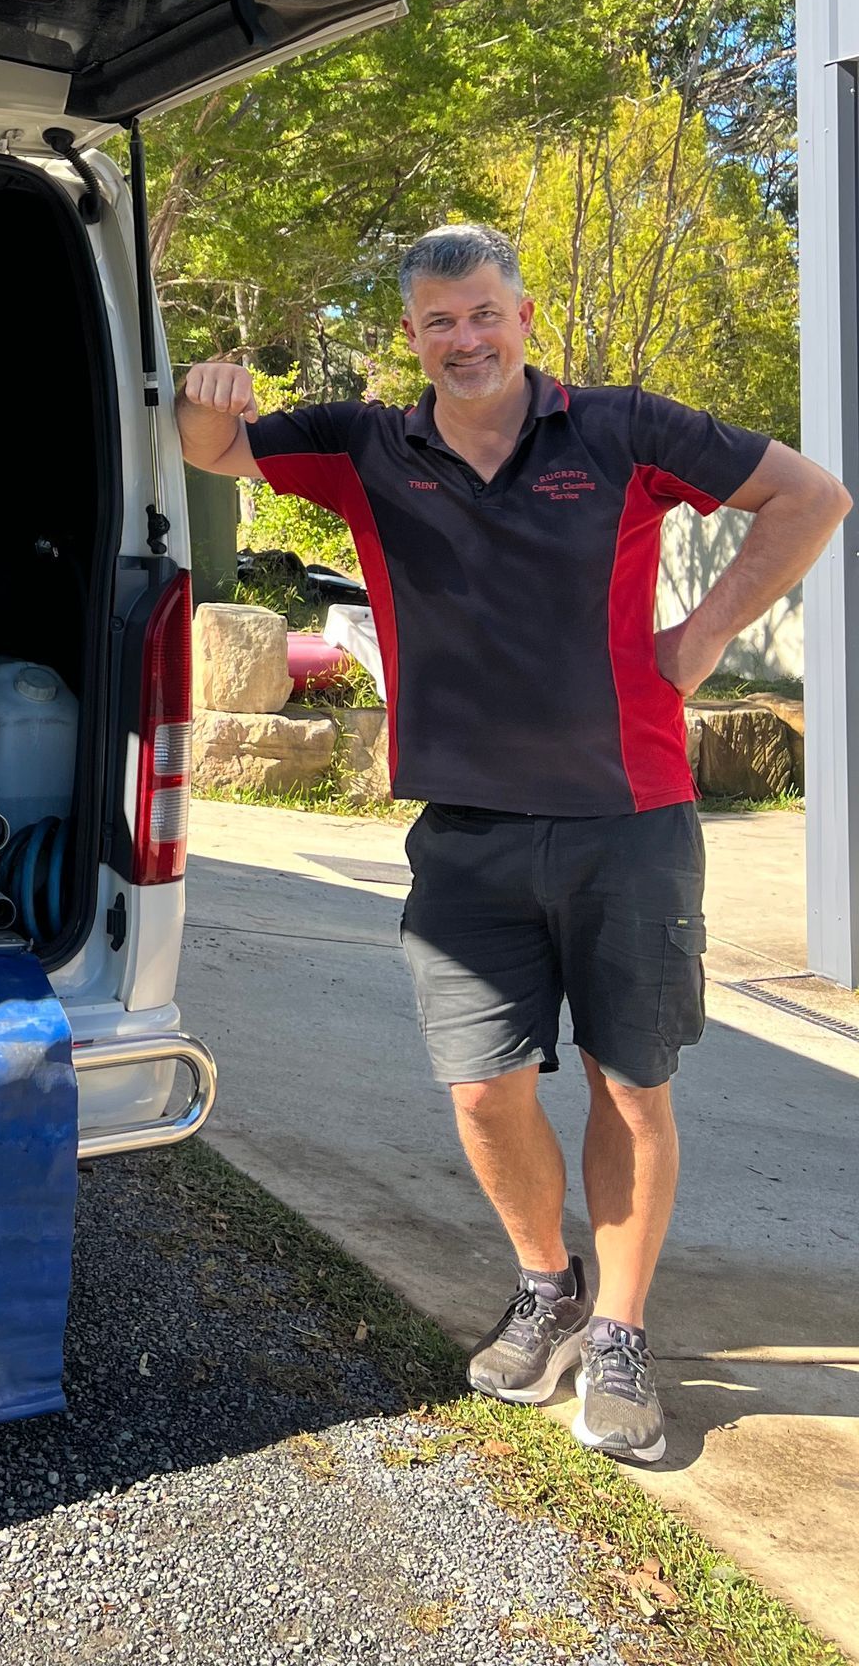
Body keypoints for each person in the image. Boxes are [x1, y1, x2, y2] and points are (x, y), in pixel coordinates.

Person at [175, 223, 849, 1464]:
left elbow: (811, 495)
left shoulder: (621, 427)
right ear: (415, 335)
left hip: (630, 816)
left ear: (524, 315)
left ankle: (623, 1334)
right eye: (439, 321)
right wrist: (211, 396)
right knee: (484, 1090)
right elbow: (214, 452)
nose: (464, 338)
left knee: (630, 1083)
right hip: (466, 829)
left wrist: (699, 638)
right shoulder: (368, 446)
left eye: (483, 313)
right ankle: (548, 1281)